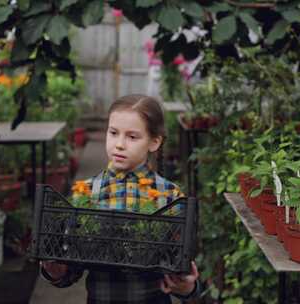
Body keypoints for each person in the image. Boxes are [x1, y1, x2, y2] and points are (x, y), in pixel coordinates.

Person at [40, 94, 200, 303]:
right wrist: (55, 269)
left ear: (154, 142)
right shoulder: (86, 194)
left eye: (132, 137)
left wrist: (187, 286)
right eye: (113, 133)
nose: (119, 144)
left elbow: (182, 273)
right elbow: (70, 270)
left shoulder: (170, 197)